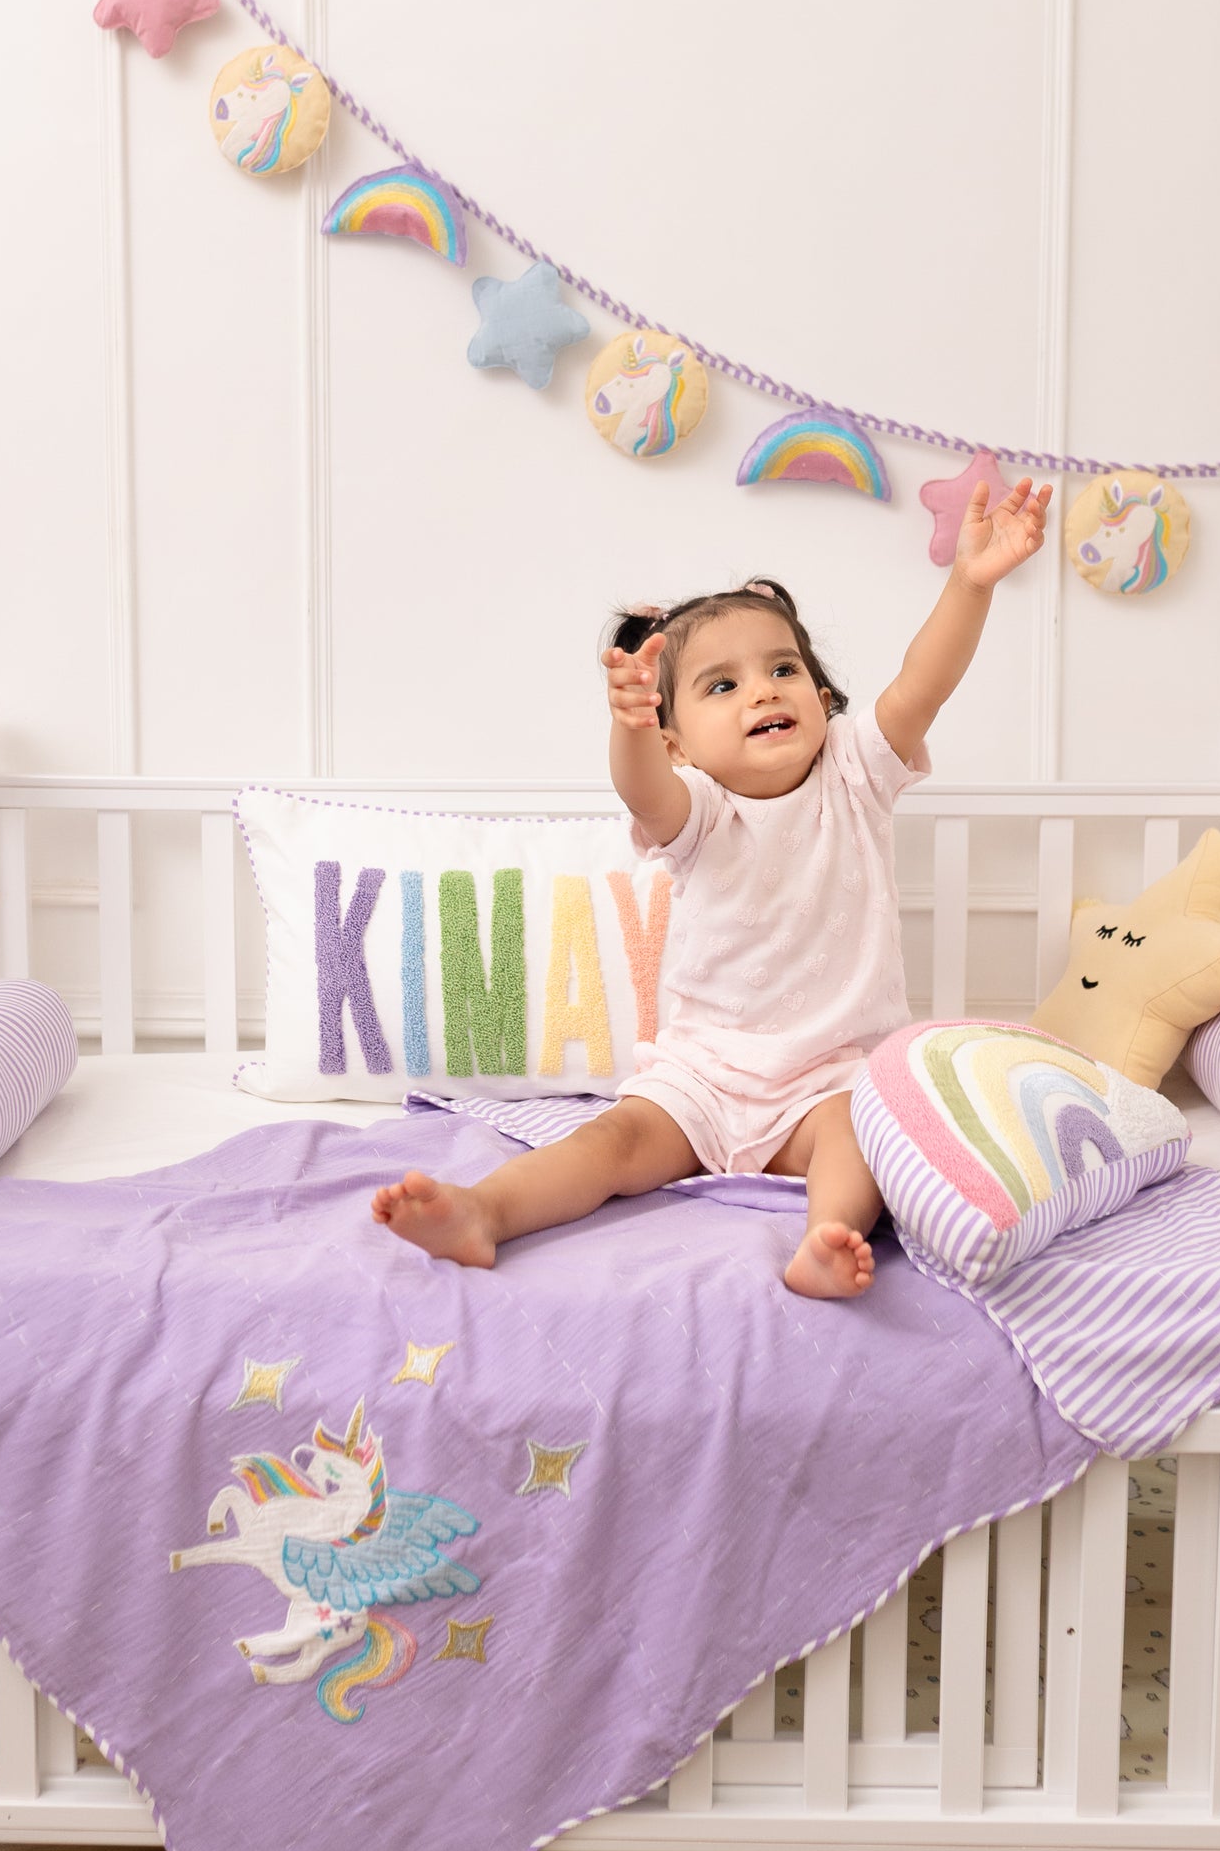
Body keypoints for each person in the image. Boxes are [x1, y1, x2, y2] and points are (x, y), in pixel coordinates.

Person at [372, 473, 1052, 1296]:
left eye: (783, 668)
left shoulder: (856, 772)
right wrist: (629, 728)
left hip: (827, 1077)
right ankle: (484, 1211)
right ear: (679, 743)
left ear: (822, 698)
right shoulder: (697, 808)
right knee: (612, 1141)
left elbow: (922, 682)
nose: (763, 689)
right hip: (702, 1078)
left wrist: (970, 583)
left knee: (859, 1134)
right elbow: (642, 791)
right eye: (722, 685)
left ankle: (825, 1238)